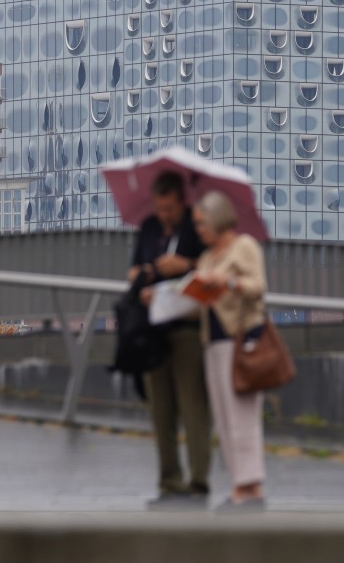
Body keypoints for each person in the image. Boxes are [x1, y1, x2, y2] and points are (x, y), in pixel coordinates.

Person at [129, 171, 210, 507]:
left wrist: (184, 264)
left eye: (170, 209)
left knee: (193, 408)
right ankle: (169, 481)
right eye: (160, 208)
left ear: (182, 202)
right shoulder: (148, 227)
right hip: (153, 329)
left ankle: (198, 482)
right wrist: (147, 277)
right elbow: (133, 270)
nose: (164, 215)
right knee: (160, 410)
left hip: (186, 327)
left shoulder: (196, 225)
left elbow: (210, 268)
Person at [190, 189, 269, 511]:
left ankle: (251, 488)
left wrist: (229, 282)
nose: (199, 229)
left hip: (243, 339)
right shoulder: (206, 258)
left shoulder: (244, 246)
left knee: (243, 415)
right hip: (214, 342)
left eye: (202, 223)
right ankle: (241, 484)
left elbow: (258, 287)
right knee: (224, 416)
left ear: (217, 218)